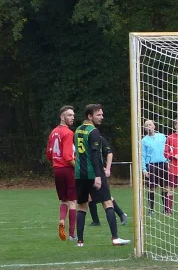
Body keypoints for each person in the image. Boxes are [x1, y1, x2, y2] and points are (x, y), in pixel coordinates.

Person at [74, 104, 130, 247]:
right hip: (94, 172)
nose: (102, 117)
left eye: (102, 114)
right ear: (89, 116)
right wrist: (98, 176)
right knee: (107, 202)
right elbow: (94, 154)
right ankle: (115, 238)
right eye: (98, 115)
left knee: (82, 206)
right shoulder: (94, 132)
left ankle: (80, 241)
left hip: (80, 174)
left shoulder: (78, 130)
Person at [45, 105, 77, 241]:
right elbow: (68, 156)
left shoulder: (53, 132)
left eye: (73, 115)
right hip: (67, 169)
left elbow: (48, 154)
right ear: (62, 117)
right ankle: (71, 235)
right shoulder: (68, 133)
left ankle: (62, 219)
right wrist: (78, 168)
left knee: (64, 200)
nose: (72, 118)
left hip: (57, 170)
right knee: (73, 201)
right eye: (69, 115)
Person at [88, 136, 128, 226]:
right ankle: (96, 221)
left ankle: (121, 214)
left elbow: (109, 153)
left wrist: (108, 169)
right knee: (90, 197)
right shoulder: (84, 140)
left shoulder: (99, 139)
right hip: (89, 172)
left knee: (105, 197)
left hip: (99, 173)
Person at [142, 119, 169, 216]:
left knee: (165, 187)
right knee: (152, 187)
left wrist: (169, 161)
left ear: (154, 126)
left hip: (163, 164)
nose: (149, 126)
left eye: (150, 125)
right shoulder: (144, 140)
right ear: (145, 128)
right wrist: (144, 169)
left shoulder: (162, 137)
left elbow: (168, 149)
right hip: (151, 166)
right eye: (146, 125)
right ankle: (151, 210)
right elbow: (142, 156)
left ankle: (166, 209)